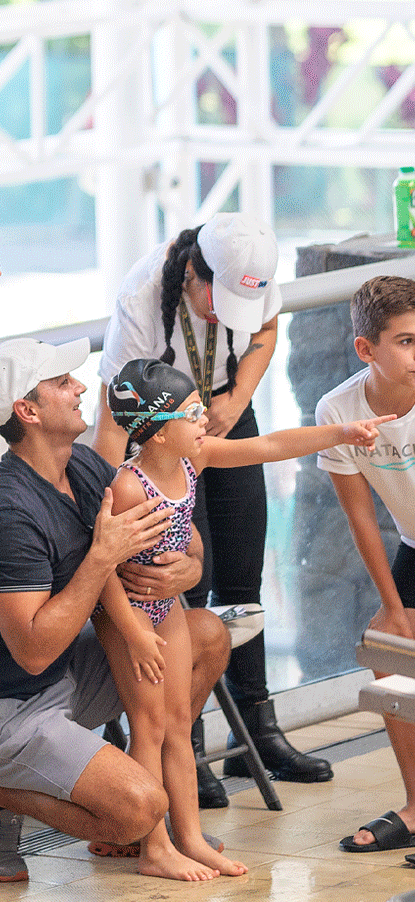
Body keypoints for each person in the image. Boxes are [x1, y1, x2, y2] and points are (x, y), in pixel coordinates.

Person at [0, 337, 231, 884]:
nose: (79, 388)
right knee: (138, 810)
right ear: (28, 411)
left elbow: (179, 539)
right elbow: (33, 652)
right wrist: (101, 558)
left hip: (67, 674)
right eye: (62, 382)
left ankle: (159, 825)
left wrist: (186, 570)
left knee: (207, 634)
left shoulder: (86, 468)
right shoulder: (8, 513)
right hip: (3, 710)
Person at [99, 358, 389, 880]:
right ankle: (153, 847)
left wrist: (342, 432)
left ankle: (190, 838)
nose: (204, 420)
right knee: (149, 727)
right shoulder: (128, 487)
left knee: (179, 725)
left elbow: (270, 445)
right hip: (129, 615)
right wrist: (134, 632)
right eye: (191, 413)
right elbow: (102, 572)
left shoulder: (194, 458)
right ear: (158, 433)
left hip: (166, 608)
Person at [94, 212, 333, 798]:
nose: (225, 316)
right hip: (163, 437)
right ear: (193, 275)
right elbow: (111, 420)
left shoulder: (255, 274)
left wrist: (237, 398)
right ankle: (190, 744)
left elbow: (266, 331)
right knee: (184, 584)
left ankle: (259, 729)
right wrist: (106, 506)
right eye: (218, 302)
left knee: (244, 576)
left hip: (222, 412)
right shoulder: (142, 297)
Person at [315, 277, 415, 853]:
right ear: (365, 349)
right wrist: (394, 607)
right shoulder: (339, 409)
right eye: (405, 341)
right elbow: (361, 518)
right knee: (388, 648)